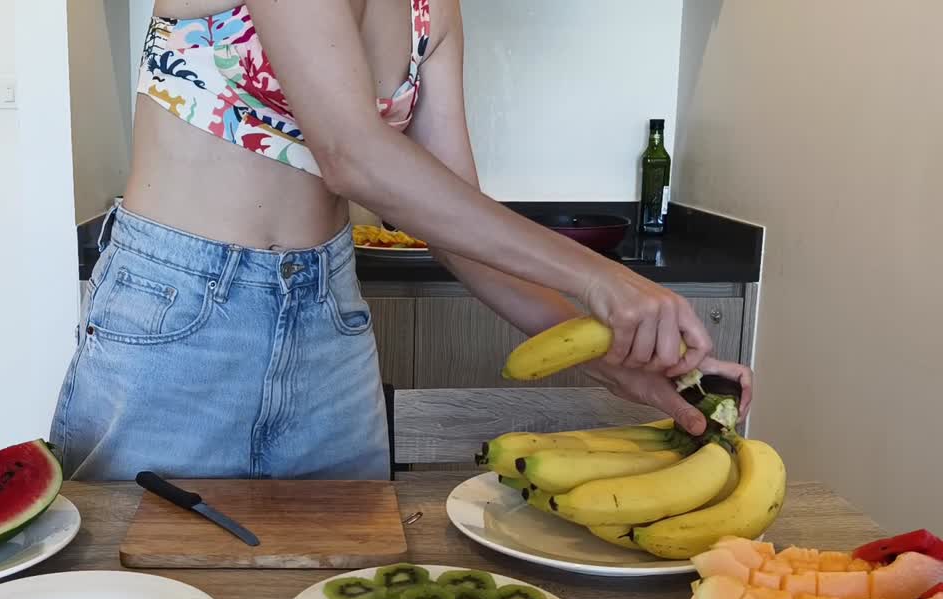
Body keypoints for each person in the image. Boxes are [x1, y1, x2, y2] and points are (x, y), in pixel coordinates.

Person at [49, 0, 753, 481]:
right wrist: (601, 279)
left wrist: (599, 344)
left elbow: (459, 226)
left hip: (331, 325)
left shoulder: (432, 11)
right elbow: (353, 154)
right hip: (179, 318)